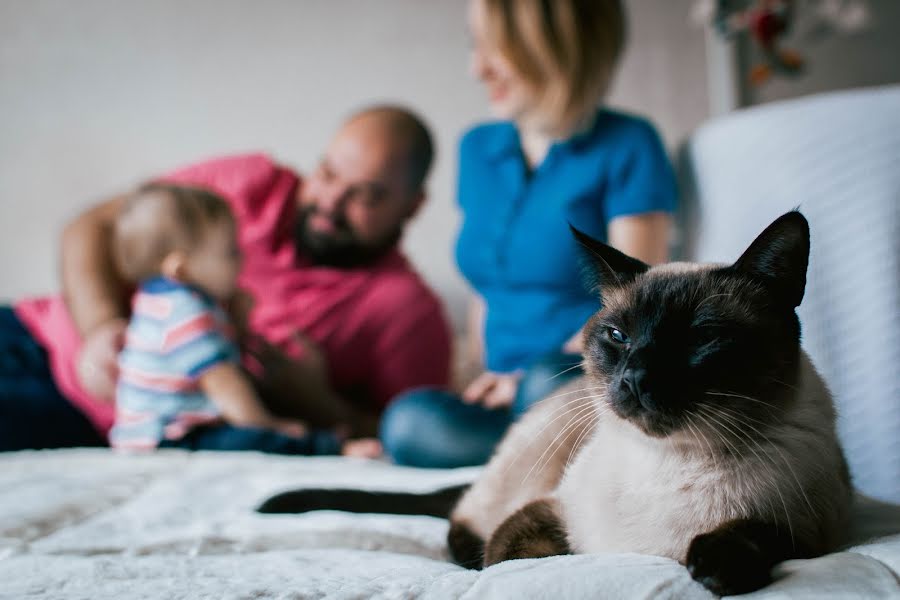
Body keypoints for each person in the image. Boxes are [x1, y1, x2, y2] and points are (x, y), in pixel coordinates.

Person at [0, 105, 452, 451]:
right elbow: (91, 226)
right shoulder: (249, 182)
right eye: (328, 173)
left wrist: (315, 403)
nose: (330, 201)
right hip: (33, 336)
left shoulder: (405, 310)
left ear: (412, 206)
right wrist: (100, 328)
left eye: (365, 196)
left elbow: (410, 434)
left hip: (110, 426)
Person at [380, 0, 677, 468]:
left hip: (580, 380)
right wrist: (485, 376)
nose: (477, 68)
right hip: (504, 393)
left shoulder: (630, 144)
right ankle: (528, 463)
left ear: (560, 49)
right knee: (406, 421)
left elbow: (634, 305)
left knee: (544, 382)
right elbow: (487, 289)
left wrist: (523, 380)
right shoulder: (477, 148)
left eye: (498, 49)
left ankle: (521, 461)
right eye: (476, 45)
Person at [109, 183, 378, 456]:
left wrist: (235, 320)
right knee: (251, 441)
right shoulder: (186, 313)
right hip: (171, 436)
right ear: (182, 268)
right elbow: (225, 385)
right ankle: (332, 448)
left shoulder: (160, 300)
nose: (242, 258)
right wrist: (267, 425)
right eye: (230, 252)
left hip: (154, 432)